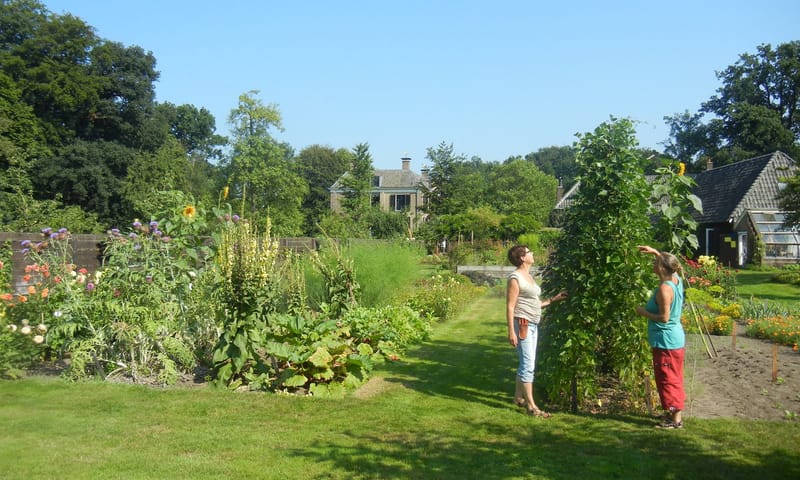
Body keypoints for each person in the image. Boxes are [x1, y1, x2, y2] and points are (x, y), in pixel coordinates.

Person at [506, 245, 567, 417]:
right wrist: (511, 331)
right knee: (528, 365)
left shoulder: (528, 276)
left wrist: (553, 300)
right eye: (528, 251)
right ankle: (532, 407)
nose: (532, 253)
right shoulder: (515, 278)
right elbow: (510, 307)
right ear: (522, 258)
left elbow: (533, 303)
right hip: (523, 324)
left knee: (526, 362)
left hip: (532, 324)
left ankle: (518, 398)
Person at [635, 245, 686, 429]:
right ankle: (673, 416)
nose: (654, 264)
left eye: (656, 262)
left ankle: (676, 421)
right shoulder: (675, 279)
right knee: (673, 376)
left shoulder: (665, 289)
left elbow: (664, 318)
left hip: (667, 341)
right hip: (674, 340)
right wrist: (655, 252)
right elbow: (674, 266)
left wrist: (642, 312)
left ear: (662, 268)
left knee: (668, 378)